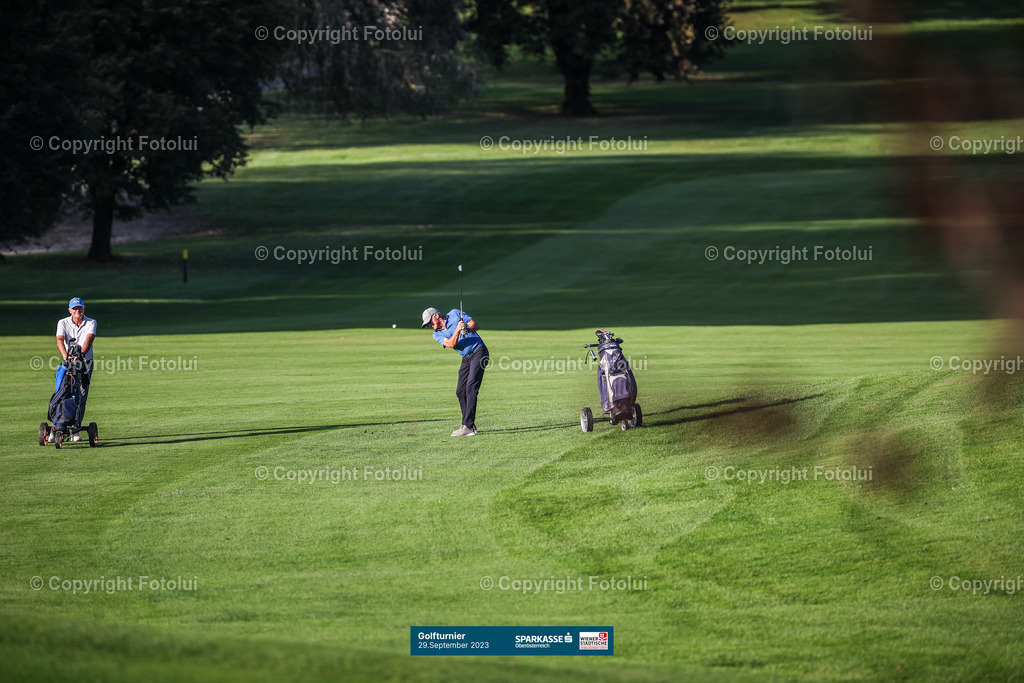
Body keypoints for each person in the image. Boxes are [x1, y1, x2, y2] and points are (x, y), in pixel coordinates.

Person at [421, 306, 489, 436]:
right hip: (466, 358)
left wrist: (467, 329)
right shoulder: (436, 334)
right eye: (427, 324)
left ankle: (468, 426)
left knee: (471, 388)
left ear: (436, 316)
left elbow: (476, 325)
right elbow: (451, 344)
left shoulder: (455, 313)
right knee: (460, 391)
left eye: (430, 322)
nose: (429, 325)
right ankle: (468, 425)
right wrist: (458, 330)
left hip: (479, 351)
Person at [51, 297, 96, 442]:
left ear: (84, 309)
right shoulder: (62, 322)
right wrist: (66, 357)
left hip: (85, 363)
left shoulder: (91, 322)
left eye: (80, 308)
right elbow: (59, 340)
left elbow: (89, 339)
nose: (78, 311)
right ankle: (56, 427)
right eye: (75, 309)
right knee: (62, 393)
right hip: (67, 363)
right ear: (70, 310)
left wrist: (80, 355)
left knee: (81, 397)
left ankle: (75, 430)